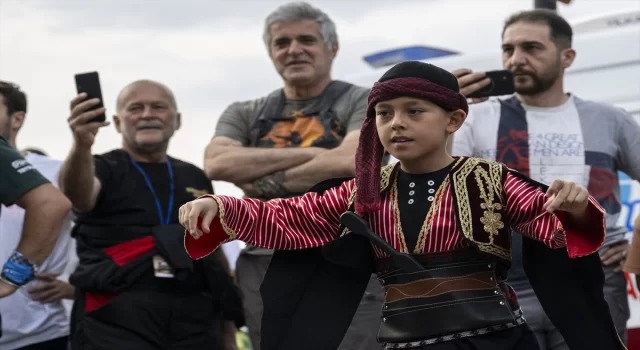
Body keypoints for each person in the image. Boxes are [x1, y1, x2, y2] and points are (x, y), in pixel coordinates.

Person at [180, 61, 625, 350]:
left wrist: (576, 207)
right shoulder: (362, 192)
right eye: (385, 112)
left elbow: (551, 223)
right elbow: (290, 217)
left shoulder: (490, 179)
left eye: (415, 111)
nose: (397, 123)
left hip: (495, 341)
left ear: (453, 119)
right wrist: (221, 210)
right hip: (406, 342)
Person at [451, 9, 640, 349]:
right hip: (503, 282)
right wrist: (444, 110)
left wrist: (635, 243)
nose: (515, 59)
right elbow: (428, 181)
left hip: (593, 278)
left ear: (567, 56)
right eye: (508, 49)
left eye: (531, 48)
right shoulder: (473, 117)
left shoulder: (609, 118)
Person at [203, 2, 382, 349]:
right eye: (281, 42)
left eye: (306, 40)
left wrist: (265, 184)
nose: (294, 50)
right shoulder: (244, 112)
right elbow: (217, 163)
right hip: (265, 260)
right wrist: (317, 155)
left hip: (347, 259)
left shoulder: (364, 100)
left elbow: (352, 164)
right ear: (270, 52)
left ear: (332, 48)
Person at [58, 79, 243, 350]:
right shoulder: (101, 166)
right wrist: (81, 144)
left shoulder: (194, 175)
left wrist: (228, 328)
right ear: (118, 122)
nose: (147, 115)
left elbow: (213, 252)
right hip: (117, 314)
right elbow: (79, 195)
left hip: (193, 315)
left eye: (158, 107)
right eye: (136, 108)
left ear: (177, 120)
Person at [0, 81, 76, 350]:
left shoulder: (56, 171)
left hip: (38, 332)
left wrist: (78, 287)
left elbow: (101, 231)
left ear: (17, 118)